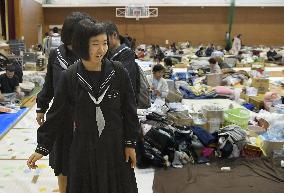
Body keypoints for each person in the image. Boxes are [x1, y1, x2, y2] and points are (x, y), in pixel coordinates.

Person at [27, 19, 139, 193]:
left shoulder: (118, 72)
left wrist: (130, 143)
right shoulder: (70, 76)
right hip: (83, 146)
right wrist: (42, 147)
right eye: (95, 44)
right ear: (81, 45)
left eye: (104, 43)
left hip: (114, 146)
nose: (101, 49)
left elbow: (130, 111)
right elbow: (57, 114)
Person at [36, 12, 92, 193]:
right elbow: (49, 84)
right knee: (63, 161)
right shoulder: (56, 54)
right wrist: (41, 106)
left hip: (89, 117)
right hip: (62, 117)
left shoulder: (93, 54)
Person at [106, 21, 139, 100]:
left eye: (105, 39)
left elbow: (122, 79)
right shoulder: (108, 53)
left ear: (114, 35)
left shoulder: (127, 54)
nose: (104, 42)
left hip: (125, 102)